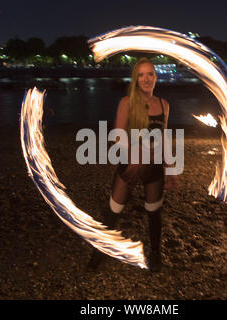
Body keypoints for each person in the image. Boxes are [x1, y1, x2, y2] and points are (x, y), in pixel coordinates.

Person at [87, 57, 178, 272]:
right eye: (142, 75)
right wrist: (135, 154)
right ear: (136, 79)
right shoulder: (127, 102)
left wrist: (172, 169)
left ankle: (155, 253)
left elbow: (163, 138)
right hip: (131, 164)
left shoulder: (164, 105)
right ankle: (99, 252)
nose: (146, 79)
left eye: (150, 74)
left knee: (154, 213)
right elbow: (118, 135)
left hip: (154, 166)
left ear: (155, 78)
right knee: (113, 211)